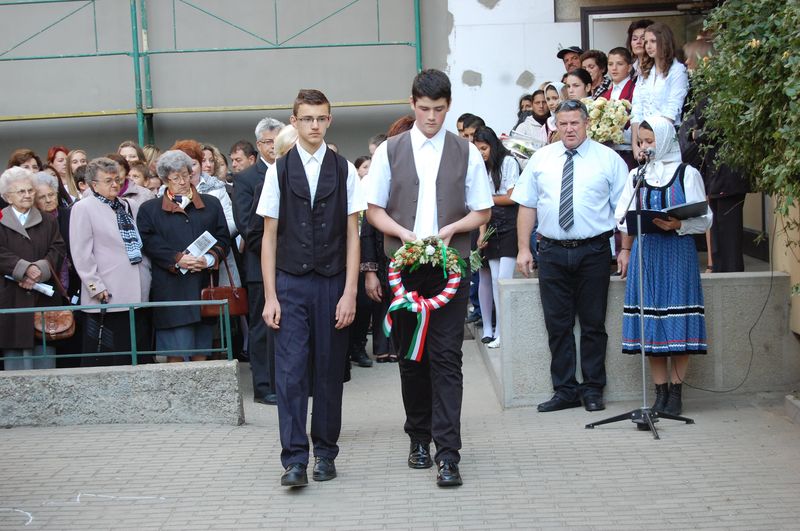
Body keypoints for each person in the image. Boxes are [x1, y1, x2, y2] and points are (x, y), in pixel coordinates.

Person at [364, 69, 493, 487]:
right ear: (412, 104)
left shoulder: (466, 151)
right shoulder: (390, 150)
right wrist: (402, 233)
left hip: (451, 266)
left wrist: (453, 228)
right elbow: (373, 209)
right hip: (404, 268)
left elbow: (483, 210)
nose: (432, 117)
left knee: (447, 357)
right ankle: (418, 438)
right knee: (411, 357)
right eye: (424, 109)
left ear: (449, 105)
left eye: (438, 109)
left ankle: (448, 453)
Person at [256, 89, 363, 487]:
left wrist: (350, 292)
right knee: (290, 373)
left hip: (333, 282)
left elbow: (352, 234)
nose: (314, 125)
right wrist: (270, 296)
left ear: (329, 121)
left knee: (329, 371)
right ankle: (295, 460)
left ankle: (326, 454)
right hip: (290, 283)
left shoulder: (344, 168)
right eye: (307, 118)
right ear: (294, 122)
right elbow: (269, 236)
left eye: (321, 118)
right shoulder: (278, 170)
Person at [513, 99, 628, 413]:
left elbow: (624, 210)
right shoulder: (542, 158)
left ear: (586, 123)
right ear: (556, 126)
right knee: (557, 325)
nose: (569, 129)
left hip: (594, 251)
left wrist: (626, 249)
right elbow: (527, 204)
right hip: (551, 251)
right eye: (563, 124)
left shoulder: (608, 159)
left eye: (575, 123)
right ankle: (564, 390)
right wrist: (523, 248)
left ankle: (593, 390)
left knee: (593, 324)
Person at [616, 116, 711, 415]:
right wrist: (630, 225)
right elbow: (621, 216)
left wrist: (679, 224)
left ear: (666, 140)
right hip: (647, 253)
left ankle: (677, 393)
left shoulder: (687, 173)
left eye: (650, 140)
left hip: (678, 253)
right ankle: (660, 392)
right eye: (641, 142)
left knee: (677, 319)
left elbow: (706, 219)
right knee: (652, 324)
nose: (645, 146)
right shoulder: (637, 175)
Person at [136, 150, 230, 362]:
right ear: (164, 179)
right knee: (175, 356)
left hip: (203, 286)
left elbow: (223, 238)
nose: (182, 181)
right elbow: (149, 242)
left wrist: (208, 259)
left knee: (202, 352)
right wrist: (177, 258)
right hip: (171, 290)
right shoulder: (150, 209)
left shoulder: (211, 203)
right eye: (175, 177)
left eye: (186, 175)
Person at [69, 158, 152, 366]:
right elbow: (81, 252)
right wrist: (94, 285)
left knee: (136, 351)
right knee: (110, 354)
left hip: (137, 288)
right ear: (94, 185)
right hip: (107, 292)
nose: (115, 184)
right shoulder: (83, 208)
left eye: (117, 179)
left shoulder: (129, 205)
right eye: (108, 181)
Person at [233, 116, 285, 406]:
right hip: (259, 265)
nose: (273, 147)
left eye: (278, 141)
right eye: (268, 142)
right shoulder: (246, 179)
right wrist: (276, 249)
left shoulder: (291, 171)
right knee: (262, 327)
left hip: (292, 266)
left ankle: (287, 381)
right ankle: (264, 386)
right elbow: (246, 226)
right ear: (259, 145)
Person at [0, 167, 66, 370]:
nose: (27, 195)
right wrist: (23, 269)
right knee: (14, 358)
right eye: (21, 191)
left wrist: (40, 269)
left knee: (44, 354)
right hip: (11, 295)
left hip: (42, 295)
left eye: (30, 190)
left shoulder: (48, 220)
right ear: (7, 197)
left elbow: (58, 248)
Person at [473, 126, 519, 349]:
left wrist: (487, 198)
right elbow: (481, 207)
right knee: (492, 279)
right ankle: (495, 330)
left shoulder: (508, 162)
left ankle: (504, 331)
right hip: (490, 222)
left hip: (509, 224)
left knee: (503, 279)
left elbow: (512, 197)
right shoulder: (480, 167)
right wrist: (482, 233)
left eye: (484, 148)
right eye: (478, 149)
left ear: (493, 145)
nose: (481, 153)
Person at [631, 22, 689, 160]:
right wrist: (636, 144)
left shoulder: (677, 70)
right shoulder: (645, 70)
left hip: (666, 138)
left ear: (664, 41)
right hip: (644, 139)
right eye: (646, 42)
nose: (648, 46)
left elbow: (673, 109)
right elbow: (637, 108)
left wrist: (652, 140)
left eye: (653, 41)